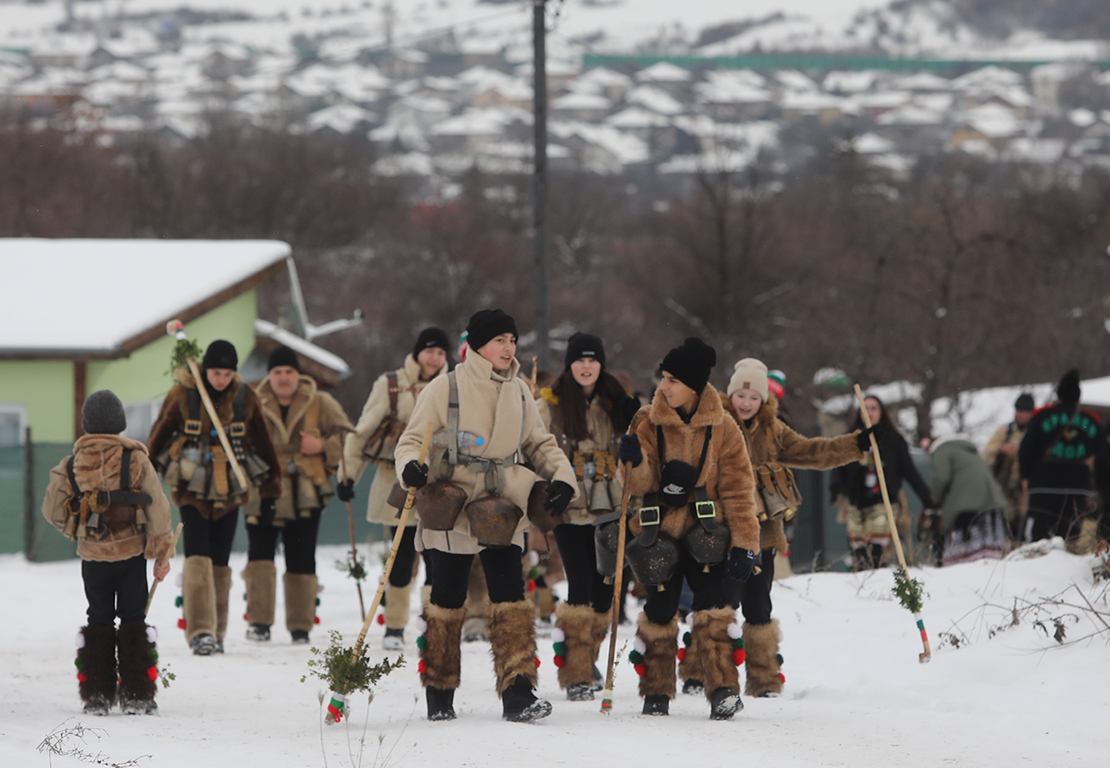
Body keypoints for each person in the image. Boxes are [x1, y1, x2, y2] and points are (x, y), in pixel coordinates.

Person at [394, 309, 578, 722]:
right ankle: (439, 691)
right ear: (478, 345)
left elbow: (541, 444)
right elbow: (411, 440)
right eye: (500, 340)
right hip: (451, 504)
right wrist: (410, 466)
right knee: (447, 595)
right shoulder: (446, 387)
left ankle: (518, 692)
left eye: (512, 340)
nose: (508, 347)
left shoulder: (519, 392)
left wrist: (562, 476)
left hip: (502, 504)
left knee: (510, 593)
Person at [698, 357, 867, 699]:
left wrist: (854, 445)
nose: (746, 403)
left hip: (765, 534)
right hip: (724, 533)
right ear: (730, 396)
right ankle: (714, 677)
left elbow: (811, 451)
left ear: (763, 401)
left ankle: (764, 679)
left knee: (760, 605)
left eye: (753, 398)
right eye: (740, 396)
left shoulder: (773, 430)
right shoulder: (715, 424)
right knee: (722, 604)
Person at [619, 338, 760, 720]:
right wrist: (631, 462)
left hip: (707, 528)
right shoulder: (646, 420)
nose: (664, 386)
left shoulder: (724, 427)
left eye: (673, 380)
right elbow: (639, 484)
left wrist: (746, 543)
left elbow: (738, 490)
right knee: (661, 609)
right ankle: (656, 690)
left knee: (714, 606)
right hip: (657, 529)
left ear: (695, 387)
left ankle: (724, 689)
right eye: (664, 377)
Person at [42, 391, 174, 715]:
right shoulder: (136, 459)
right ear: (120, 424)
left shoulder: (71, 464)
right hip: (131, 556)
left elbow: (51, 509)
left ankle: (97, 695)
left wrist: (75, 530)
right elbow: (157, 507)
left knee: (98, 619)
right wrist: (161, 553)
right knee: (134, 620)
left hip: (93, 558)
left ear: (86, 424)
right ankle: (138, 695)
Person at [148, 340, 281, 655]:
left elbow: (263, 440)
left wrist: (271, 489)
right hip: (191, 486)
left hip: (230, 487)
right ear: (205, 369)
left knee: (220, 558)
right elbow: (159, 433)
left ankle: (217, 630)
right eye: (215, 372)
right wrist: (146, 476)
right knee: (197, 553)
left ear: (234, 373)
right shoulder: (183, 393)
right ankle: (200, 631)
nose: (220, 379)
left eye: (227, 373)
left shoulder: (246, 397)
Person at [535, 332, 639, 701]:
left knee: (604, 591)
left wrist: (635, 426)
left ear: (601, 364)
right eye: (579, 360)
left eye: (592, 360)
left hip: (610, 506)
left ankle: (589, 658)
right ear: (569, 364)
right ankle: (575, 672)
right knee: (579, 584)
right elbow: (534, 443)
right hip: (569, 504)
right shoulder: (551, 403)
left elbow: (645, 440)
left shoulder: (618, 401)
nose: (586, 367)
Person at [341, 328, 450, 650]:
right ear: (417, 353)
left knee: (437, 559)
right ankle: (394, 626)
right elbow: (362, 431)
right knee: (400, 558)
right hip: (397, 483)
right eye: (430, 351)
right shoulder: (390, 384)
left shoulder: (451, 385)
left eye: (441, 353)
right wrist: (347, 477)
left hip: (440, 487)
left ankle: (436, 623)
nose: (434, 358)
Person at [246, 346, 353, 644]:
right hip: (263, 488)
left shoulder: (319, 401)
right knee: (259, 557)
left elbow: (350, 437)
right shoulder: (252, 401)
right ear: (270, 375)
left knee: (302, 557)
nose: (283, 378)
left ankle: (300, 627)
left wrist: (322, 448)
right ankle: (258, 623)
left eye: (289, 371)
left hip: (305, 489)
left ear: (298, 374)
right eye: (278, 372)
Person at [830, 394, 937, 571]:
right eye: (866, 408)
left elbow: (910, 472)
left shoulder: (894, 440)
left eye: (874, 408)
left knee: (876, 543)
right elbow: (838, 466)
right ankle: (860, 576)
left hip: (883, 499)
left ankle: (876, 573)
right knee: (858, 544)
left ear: (881, 412)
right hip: (856, 499)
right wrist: (837, 489)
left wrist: (927, 499)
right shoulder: (850, 439)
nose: (869, 412)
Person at [1018, 369, 1108, 549]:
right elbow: (1104, 453)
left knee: (1039, 540)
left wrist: (1025, 476)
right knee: (1069, 540)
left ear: (1058, 395)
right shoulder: (1089, 420)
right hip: (1076, 488)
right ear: (1078, 398)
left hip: (1044, 485)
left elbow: (1025, 450)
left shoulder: (1041, 417)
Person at [923, 433, 1010, 565]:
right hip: (991, 500)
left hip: (964, 506)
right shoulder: (967, 450)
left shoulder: (941, 450)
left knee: (966, 557)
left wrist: (935, 500)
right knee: (991, 556)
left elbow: (942, 478)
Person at [982, 393, 1035, 538]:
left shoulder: (1035, 432)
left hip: (1026, 491)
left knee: (1024, 529)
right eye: (1018, 410)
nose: (1020, 415)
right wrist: (1002, 449)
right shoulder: (1005, 431)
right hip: (1004, 491)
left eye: (1024, 411)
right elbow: (985, 455)